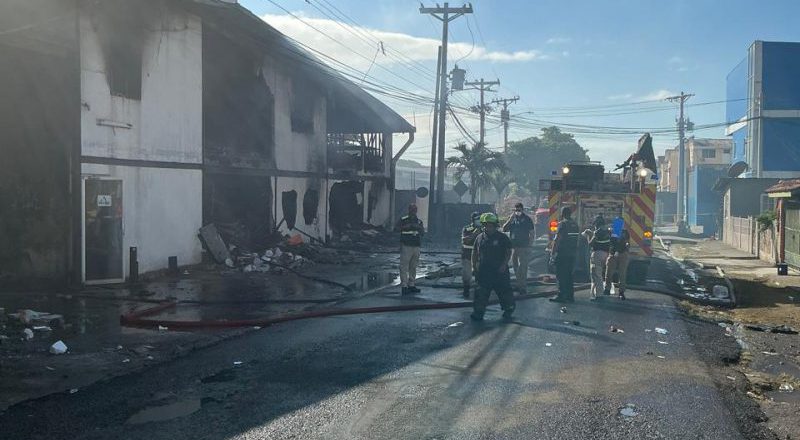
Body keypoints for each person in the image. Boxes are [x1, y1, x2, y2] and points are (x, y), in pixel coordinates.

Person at [471, 213, 515, 322]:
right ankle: (478, 312)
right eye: (486, 225)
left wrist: (504, 265)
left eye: (490, 226)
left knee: (504, 291)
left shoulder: (502, 238)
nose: (488, 228)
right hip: (484, 271)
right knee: (481, 293)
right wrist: (474, 267)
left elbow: (508, 252)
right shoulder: (480, 238)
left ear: (495, 226)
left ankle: (508, 309)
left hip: (499, 271)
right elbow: (475, 252)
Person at [503, 202, 536, 293]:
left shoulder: (527, 219)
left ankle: (523, 287)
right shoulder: (513, 219)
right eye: (516, 210)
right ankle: (519, 284)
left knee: (523, 267)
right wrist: (510, 219)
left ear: (522, 210)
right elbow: (504, 229)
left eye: (519, 210)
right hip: (514, 247)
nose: (517, 211)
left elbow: (532, 233)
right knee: (515, 267)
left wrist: (530, 245)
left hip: (524, 246)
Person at [549, 206, 579, 303]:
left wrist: (552, 253)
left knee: (560, 275)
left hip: (562, 254)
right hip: (572, 254)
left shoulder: (562, 224)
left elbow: (557, 240)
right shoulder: (575, 225)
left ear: (562, 214)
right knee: (569, 275)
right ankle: (570, 296)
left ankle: (561, 295)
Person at [395, 204, 425, 295]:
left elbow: (423, 233)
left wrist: (419, 228)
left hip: (416, 246)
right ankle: (404, 286)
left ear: (416, 211)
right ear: (409, 210)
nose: (413, 211)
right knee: (404, 266)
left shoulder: (419, 221)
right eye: (412, 209)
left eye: (415, 209)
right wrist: (405, 227)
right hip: (406, 245)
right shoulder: (403, 220)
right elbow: (395, 229)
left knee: (413, 266)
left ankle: (411, 284)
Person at [582, 215, 611, 300]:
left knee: (596, 275)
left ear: (597, 224)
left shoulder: (597, 232)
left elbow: (591, 244)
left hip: (597, 254)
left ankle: (599, 295)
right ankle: (595, 293)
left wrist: (588, 235)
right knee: (600, 274)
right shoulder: (608, 232)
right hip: (606, 254)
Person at [605, 221, 631, 300]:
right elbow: (611, 242)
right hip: (616, 254)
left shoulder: (623, 232)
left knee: (618, 273)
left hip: (619, 253)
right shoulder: (613, 232)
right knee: (611, 273)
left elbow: (625, 242)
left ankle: (618, 291)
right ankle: (610, 290)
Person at [460, 212, 482, 298]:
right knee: (467, 275)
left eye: (480, 218)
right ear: (473, 220)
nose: (479, 220)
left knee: (479, 275)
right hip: (467, 255)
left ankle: (478, 293)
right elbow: (465, 240)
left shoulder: (484, 229)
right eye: (477, 219)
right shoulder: (467, 228)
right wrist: (474, 234)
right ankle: (466, 291)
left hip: (479, 256)